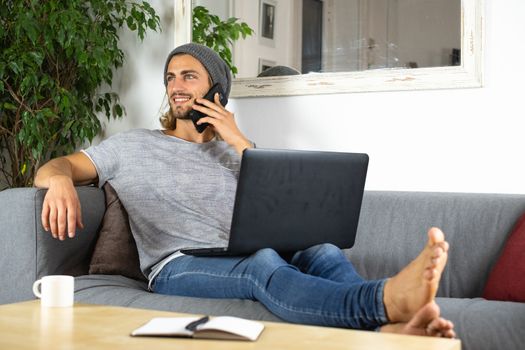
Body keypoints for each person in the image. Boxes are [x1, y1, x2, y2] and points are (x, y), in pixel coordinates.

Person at [34, 43, 454, 337]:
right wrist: (57, 179)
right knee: (263, 263)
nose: (176, 86)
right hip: (175, 265)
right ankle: (382, 302)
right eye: (170, 78)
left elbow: (288, 211)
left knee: (321, 250)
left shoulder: (237, 153)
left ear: (216, 88)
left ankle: (387, 329)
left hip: (237, 251)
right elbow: (58, 166)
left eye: (189, 76)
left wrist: (237, 139)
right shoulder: (132, 145)